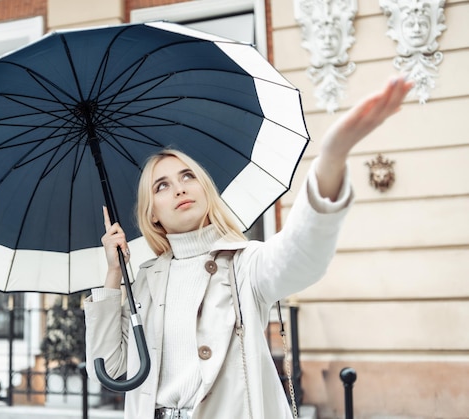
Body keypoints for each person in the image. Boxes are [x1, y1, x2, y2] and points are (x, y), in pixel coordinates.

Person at [84, 76, 414, 419]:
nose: (179, 189)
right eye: (162, 185)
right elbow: (108, 370)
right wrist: (112, 276)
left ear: (205, 188)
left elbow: (303, 254)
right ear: (151, 212)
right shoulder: (145, 283)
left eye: (187, 176)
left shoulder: (244, 263)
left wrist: (330, 159)